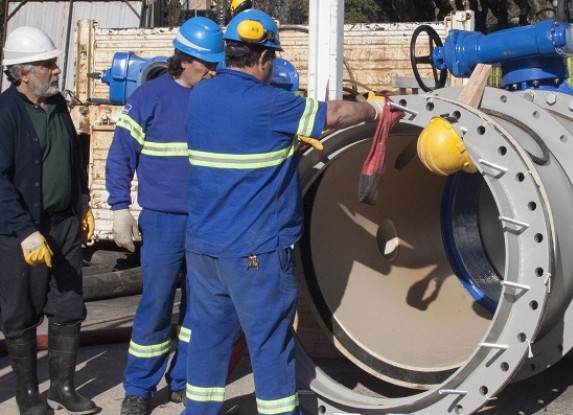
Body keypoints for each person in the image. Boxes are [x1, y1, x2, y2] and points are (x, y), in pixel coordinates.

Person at [182, 9, 386, 415]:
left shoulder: (200, 96)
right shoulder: (272, 104)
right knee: (270, 345)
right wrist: (374, 109)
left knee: (207, 340)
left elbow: (237, 147)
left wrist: (282, 151)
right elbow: (334, 116)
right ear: (262, 58)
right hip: (255, 252)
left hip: (204, 249)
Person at [104, 17, 224, 415]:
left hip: (207, 220)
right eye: (207, 63)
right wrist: (120, 207)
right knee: (155, 304)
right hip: (163, 220)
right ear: (185, 60)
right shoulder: (149, 97)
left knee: (200, 307)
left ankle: (184, 380)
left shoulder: (215, 96)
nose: (212, 70)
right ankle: (139, 386)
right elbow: (121, 154)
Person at [0, 26, 97, 415]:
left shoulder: (56, 105)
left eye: (55, 63)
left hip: (63, 224)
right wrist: (25, 231)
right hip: (21, 233)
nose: (57, 70)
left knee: (69, 305)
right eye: (47, 65)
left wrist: (84, 201)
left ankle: (63, 387)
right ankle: (28, 396)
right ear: (22, 73)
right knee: (21, 313)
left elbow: (73, 158)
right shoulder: (6, 114)